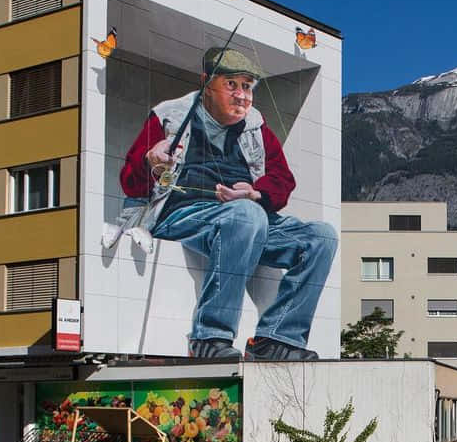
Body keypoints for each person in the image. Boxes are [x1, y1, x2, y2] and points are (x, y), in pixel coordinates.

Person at [120, 46, 337, 362]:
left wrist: (255, 193)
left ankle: (277, 338)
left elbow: (282, 179)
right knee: (246, 216)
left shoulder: (257, 125)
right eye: (231, 84)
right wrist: (151, 161)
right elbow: (129, 181)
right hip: (180, 212)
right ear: (207, 83)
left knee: (321, 237)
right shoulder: (169, 115)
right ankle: (210, 336)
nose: (241, 95)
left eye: (247, 86)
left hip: (247, 219)